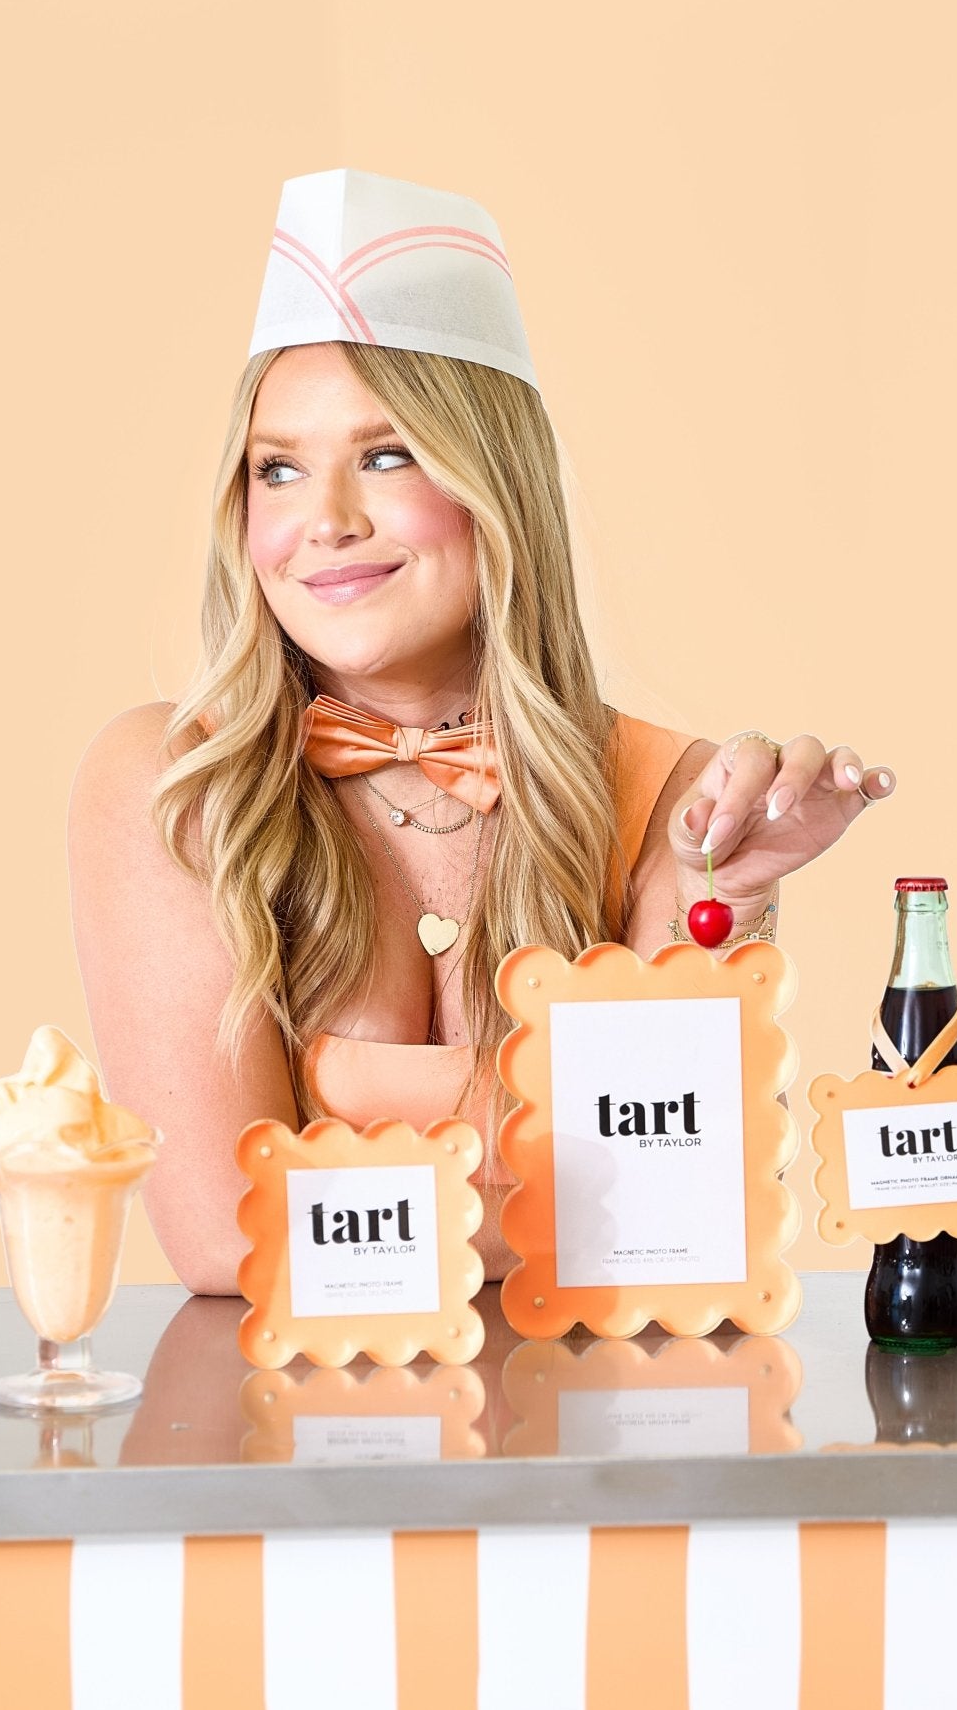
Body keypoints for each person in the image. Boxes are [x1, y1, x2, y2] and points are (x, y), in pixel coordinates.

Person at [68, 169, 896, 1296]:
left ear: (494, 482)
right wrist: (582, 1216)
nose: (326, 522)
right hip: (279, 1413)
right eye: (279, 469)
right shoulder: (172, 784)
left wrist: (730, 903)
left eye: (388, 454)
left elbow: (688, 1220)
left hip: (591, 1409)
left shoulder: (673, 797)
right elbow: (231, 1240)